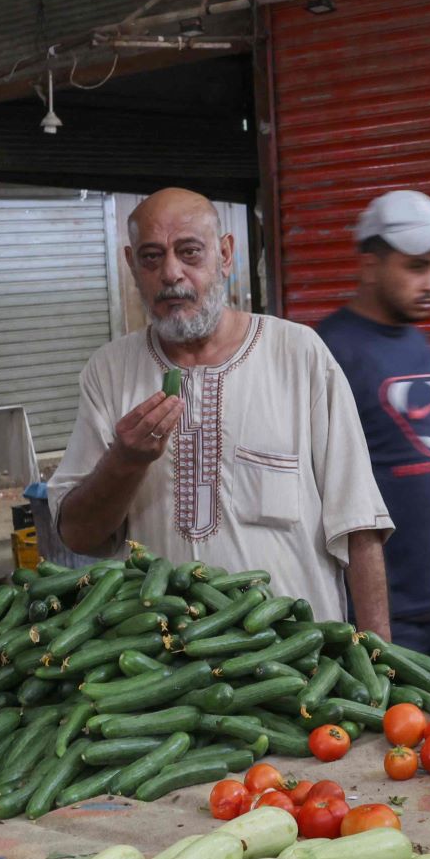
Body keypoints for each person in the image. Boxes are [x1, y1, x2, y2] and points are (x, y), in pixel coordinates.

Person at [50, 188, 394, 626]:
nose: (171, 273)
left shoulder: (298, 354)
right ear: (131, 265)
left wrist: (380, 669)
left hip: (297, 666)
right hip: (161, 669)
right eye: (151, 257)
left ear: (226, 254)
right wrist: (124, 462)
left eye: (190, 252)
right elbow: (77, 535)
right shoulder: (109, 372)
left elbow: (359, 524)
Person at [316, 191, 430, 668]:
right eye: (417, 267)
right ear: (370, 265)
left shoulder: (420, 343)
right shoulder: (328, 350)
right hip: (376, 613)